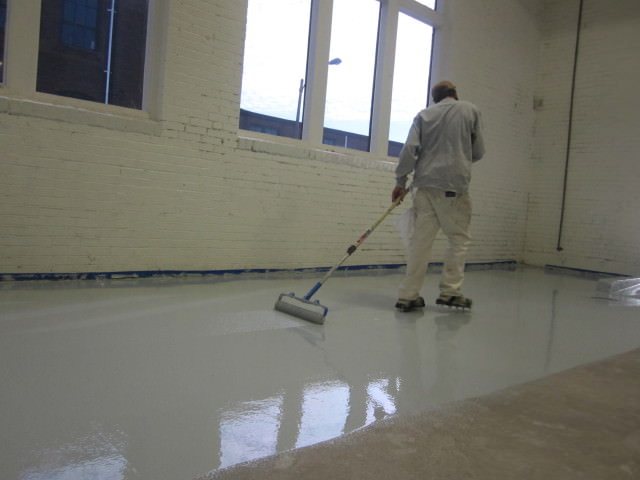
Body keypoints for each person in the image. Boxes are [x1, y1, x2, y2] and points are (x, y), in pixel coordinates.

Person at [392, 80, 485, 312]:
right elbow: (478, 152)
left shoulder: (424, 115)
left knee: (420, 243)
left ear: (435, 98)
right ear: (455, 93)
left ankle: (408, 295)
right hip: (453, 187)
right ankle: (450, 292)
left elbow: (409, 150)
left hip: (423, 188)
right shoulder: (470, 110)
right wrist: (460, 155)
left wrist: (400, 182)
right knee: (458, 239)